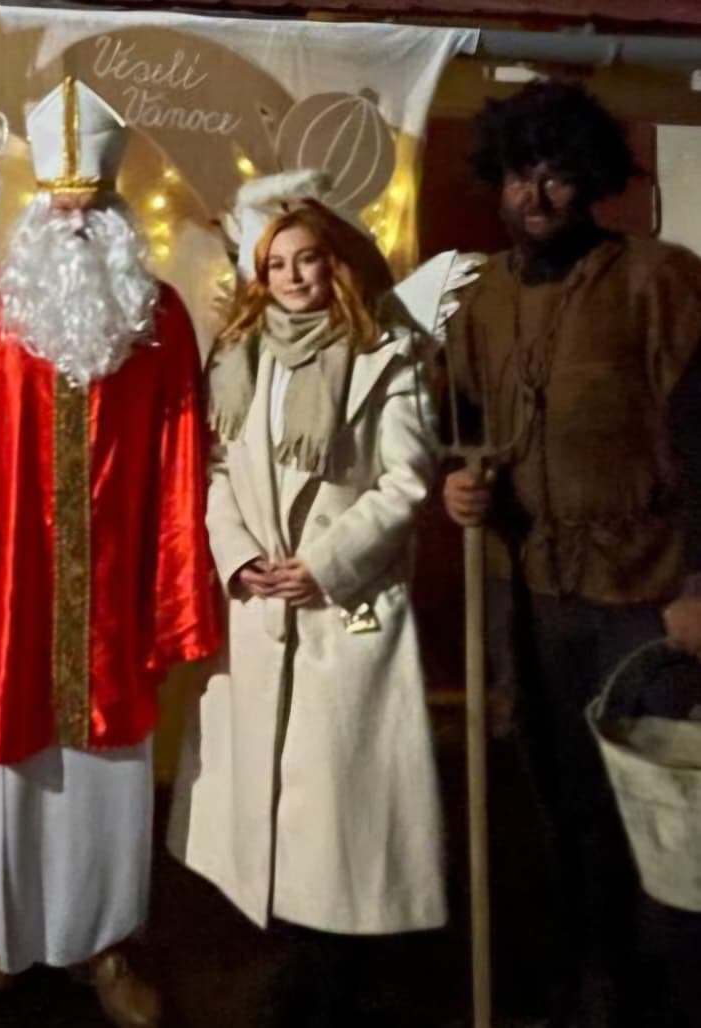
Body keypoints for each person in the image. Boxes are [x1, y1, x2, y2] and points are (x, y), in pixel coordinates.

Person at [0, 78, 219, 1028]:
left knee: (107, 773)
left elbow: (182, 459)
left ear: (116, 210)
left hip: (111, 590)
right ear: (35, 205)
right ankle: (9, 935)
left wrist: (172, 579)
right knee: (9, 767)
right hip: (8, 585)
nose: (74, 223)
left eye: (91, 206)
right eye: (61, 206)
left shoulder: (157, 320)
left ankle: (105, 946)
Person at [442, 80, 701, 1028]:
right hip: (535, 596)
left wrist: (699, 584)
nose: (537, 196)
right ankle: (593, 987)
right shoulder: (480, 300)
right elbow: (463, 429)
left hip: (646, 592)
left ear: (588, 181)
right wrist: (459, 487)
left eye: (555, 175)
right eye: (520, 175)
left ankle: (673, 1000)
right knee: (565, 803)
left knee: (660, 811)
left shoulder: (657, 280)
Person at [171, 194, 446, 1026]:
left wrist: (326, 564)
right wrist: (238, 556)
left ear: (336, 266)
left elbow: (407, 479)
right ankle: (287, 954)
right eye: (277, 264)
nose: (293, 278)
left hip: (342, 608)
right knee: (272, 802)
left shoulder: (385, 356)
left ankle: (341, 971)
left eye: (308, 260)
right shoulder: (240, 357)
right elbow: (218, 471)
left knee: (336, 812)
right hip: (262, 607)